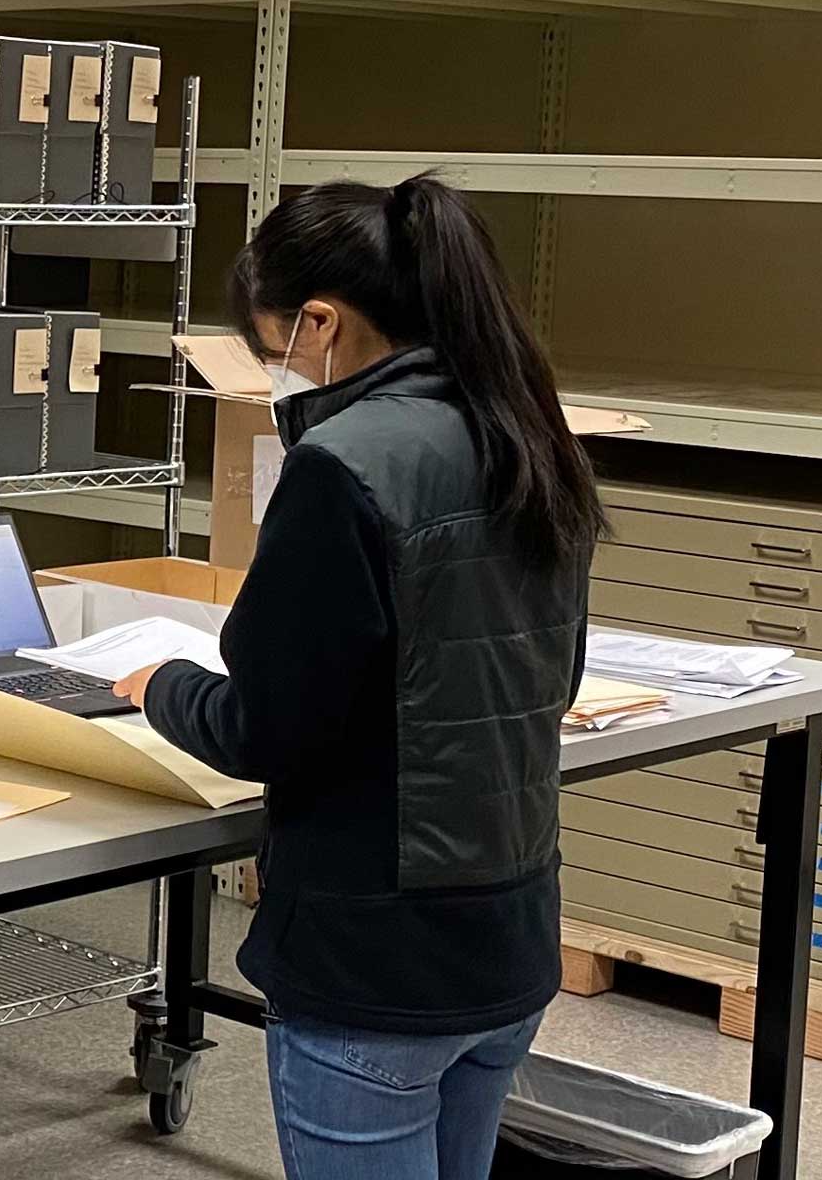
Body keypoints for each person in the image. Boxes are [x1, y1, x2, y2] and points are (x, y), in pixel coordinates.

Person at [113, 173, 602, 1180]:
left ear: (320, 324)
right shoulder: (527, 433)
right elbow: (551, 675)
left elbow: (262, 726)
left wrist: (158, 683)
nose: (272, 373)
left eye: (270, 346)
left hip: (375, 956)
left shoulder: (345, 463)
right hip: (508, 936)